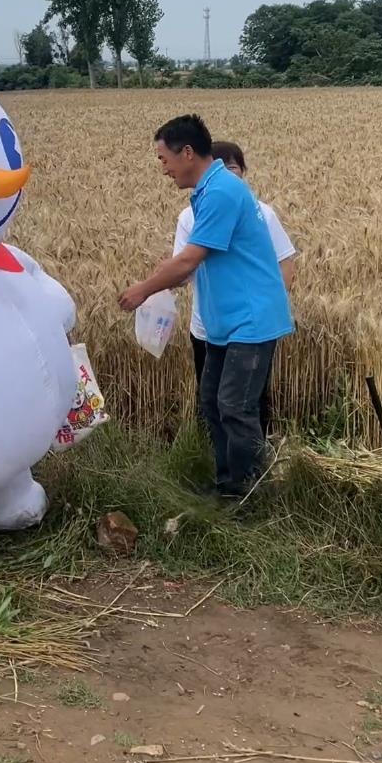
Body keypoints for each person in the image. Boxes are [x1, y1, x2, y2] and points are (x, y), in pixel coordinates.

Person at [119, 114, 294, 499]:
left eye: (164, 159)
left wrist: (143, 291)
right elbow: (191, 264)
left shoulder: (222, 192)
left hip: (251, 319)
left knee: (235, 406)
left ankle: (245, 493)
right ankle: (227, 482)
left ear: (186, 152)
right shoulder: (208, 190)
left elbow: (188, 260)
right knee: (213, 402)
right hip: (224, 322)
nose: (163, 169)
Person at [173, 139, 296, 436]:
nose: (228, 174)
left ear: (243, 170)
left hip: (250, 326)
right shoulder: (190, 216)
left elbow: (286, 261)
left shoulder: (261, 212)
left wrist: (265, 306)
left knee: (244, 402)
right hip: (207, 328)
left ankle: (251, 471)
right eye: (222, 168)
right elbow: (183, 267)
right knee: (213, 401)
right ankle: (219, 463)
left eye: (234, 167)